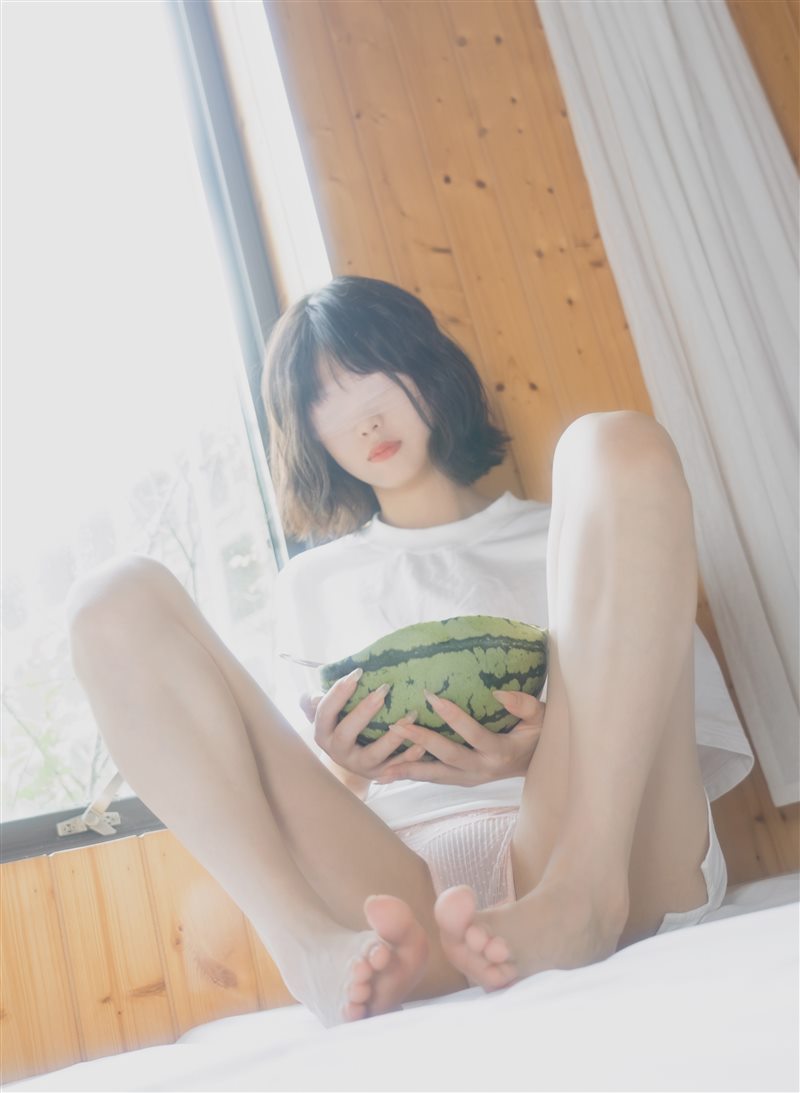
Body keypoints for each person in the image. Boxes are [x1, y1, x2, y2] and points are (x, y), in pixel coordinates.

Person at [65, 276, 750, 1029]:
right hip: (398, 903)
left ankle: (579, 901)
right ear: (306, 430)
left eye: (374, 375)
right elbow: (288, 800)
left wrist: (538, 750)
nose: (364, 419)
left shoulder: (587, 527)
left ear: (428, 368)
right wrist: (348, 767)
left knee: (615, 439)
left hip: (593, 850)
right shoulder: (310, 585)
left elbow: (679, 746)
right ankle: (306, 946)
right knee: (111, 598)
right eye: (325, 400)